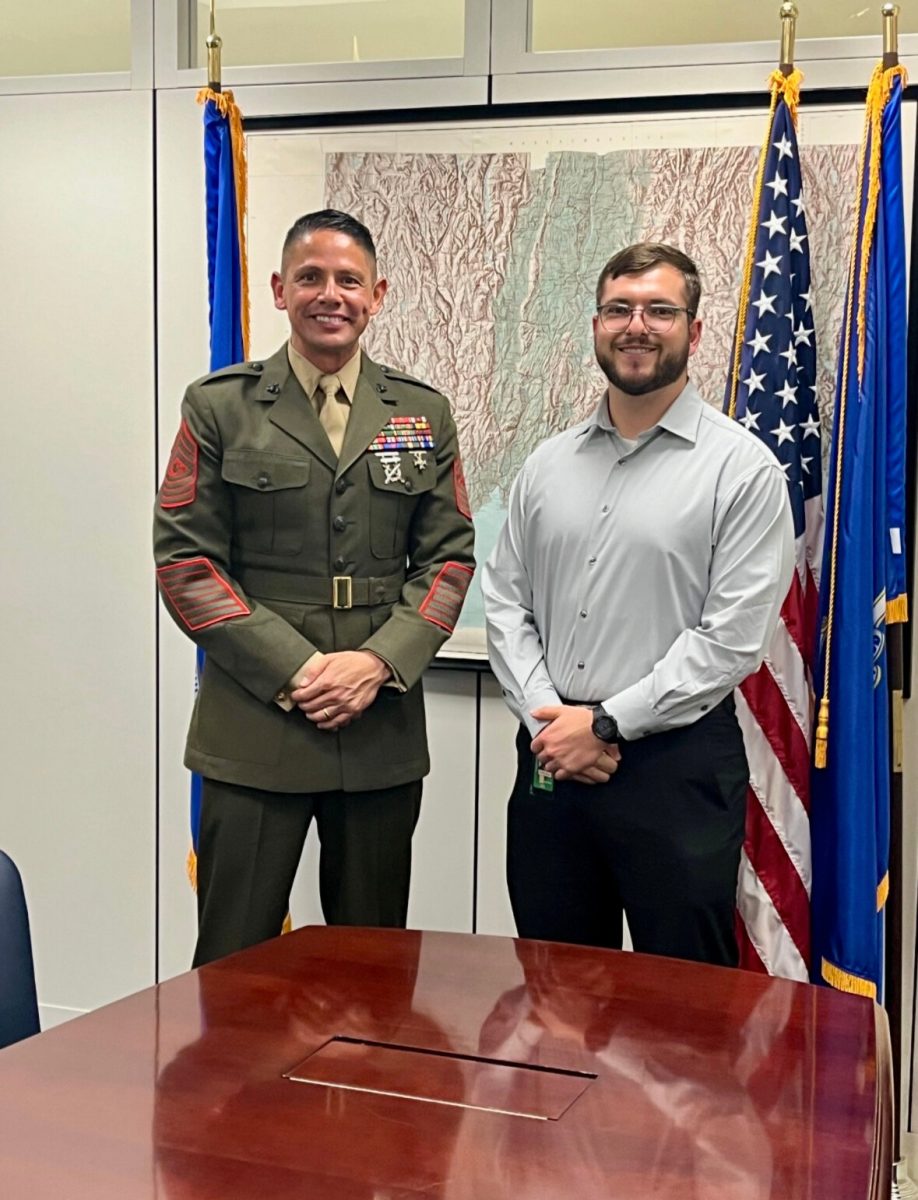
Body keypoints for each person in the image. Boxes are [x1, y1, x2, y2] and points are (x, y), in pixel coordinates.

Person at [154, 209, 475, 967]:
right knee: (234, 964)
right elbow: (186, 564)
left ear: (378, 294)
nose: (330, 295)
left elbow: (449, 560)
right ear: (278, 290)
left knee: (370, 967)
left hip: (377, 726)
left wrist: (377, 663)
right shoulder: (220, 406)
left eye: (348, 280)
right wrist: (296, 671)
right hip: (255, 725)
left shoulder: (420, 413)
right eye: (310, 278)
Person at [482, 242, 794, 968]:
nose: (637, 325)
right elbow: (504, 603)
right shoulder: (546, 464)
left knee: (683, 1012)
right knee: (554, 991)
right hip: (552, 757)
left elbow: (732, 639)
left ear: (694, 329)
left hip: (674, 765)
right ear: (596, 325)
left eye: (660, 310)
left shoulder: (740, 469)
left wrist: (608, 722)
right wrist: (549, 719)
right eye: (619, 309)